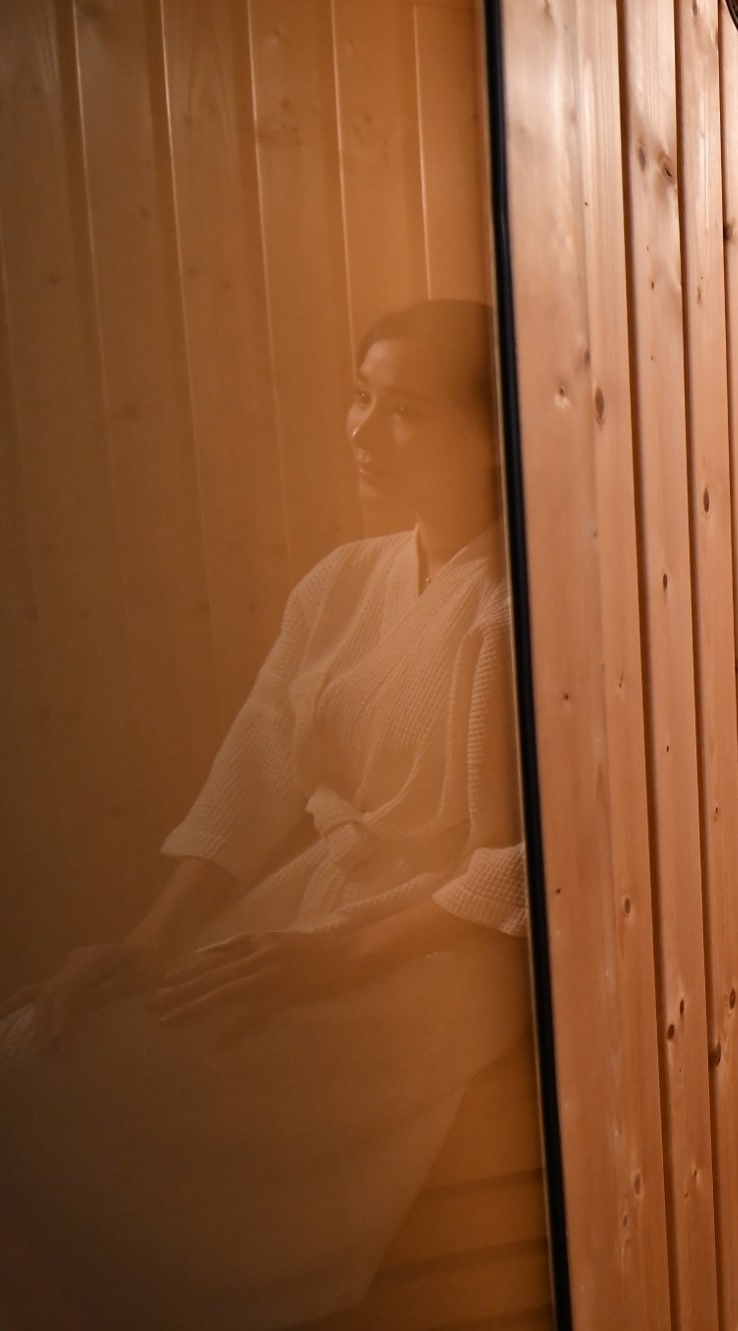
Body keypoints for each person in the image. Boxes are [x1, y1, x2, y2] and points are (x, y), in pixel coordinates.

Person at [0, 300, 533, 1330]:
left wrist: (340, 957)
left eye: (406, 410)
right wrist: (150, 941)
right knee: (36, 1048)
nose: (363, 430)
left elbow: (512, 866)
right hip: (321, 904)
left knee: (46, 1081)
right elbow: (253, 774)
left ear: (490, 436)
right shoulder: (340, 583)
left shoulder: (514, 606)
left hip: (444, 954)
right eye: (360, 397)